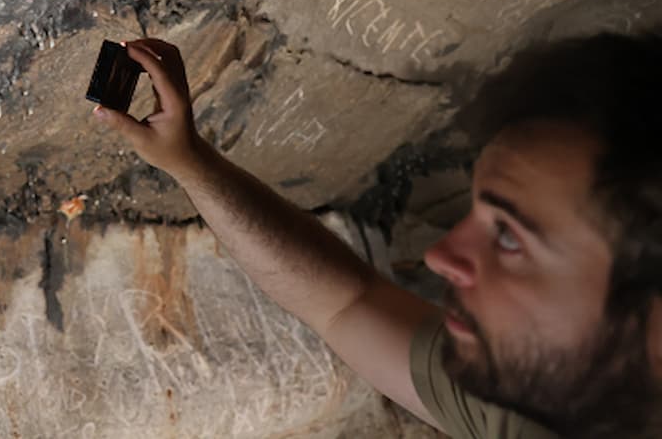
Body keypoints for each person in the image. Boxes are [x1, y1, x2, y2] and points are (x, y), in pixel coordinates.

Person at [92, 34, 662, 438]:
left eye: (510, 238)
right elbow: (344, 302)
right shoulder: (548, 403)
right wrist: (190, 162)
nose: (441, 257)